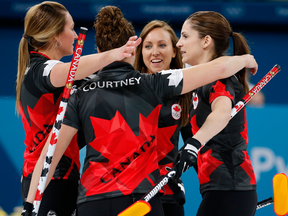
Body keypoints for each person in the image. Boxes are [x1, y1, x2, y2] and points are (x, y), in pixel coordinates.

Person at [22, 6, 258, 216]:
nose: (178, 44)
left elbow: (50, 153)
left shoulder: (79, 91)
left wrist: (30, 204)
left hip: (94, 199)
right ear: (133, 47)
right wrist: (246, 58)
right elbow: (221, 67)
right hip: (143, 198)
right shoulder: (152, 83)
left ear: (98, 47)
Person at [16, 2, 141, 216]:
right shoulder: (42, 70)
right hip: (49, 181)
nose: (75, 35)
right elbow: (68, 70)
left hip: (59, 178)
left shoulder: (45, 72)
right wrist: (112, 54)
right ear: (55, 36)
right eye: (71, 28)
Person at [173, 11, 258, 216]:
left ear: (206, 41)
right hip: (220, 189)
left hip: (230, 188)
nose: (178, 43)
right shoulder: (199, 82)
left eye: (185, 36)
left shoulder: (220, 80)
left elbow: (221, 113)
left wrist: (194, 144)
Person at [134, 20, 192, 216]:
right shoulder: (128, 90)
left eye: (162, 45)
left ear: (174, 51)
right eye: (148, 46)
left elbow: (196, 142)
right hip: (134, 193)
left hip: (169, 191)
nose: (154, 52)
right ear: (141, 53)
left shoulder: (186, 94)